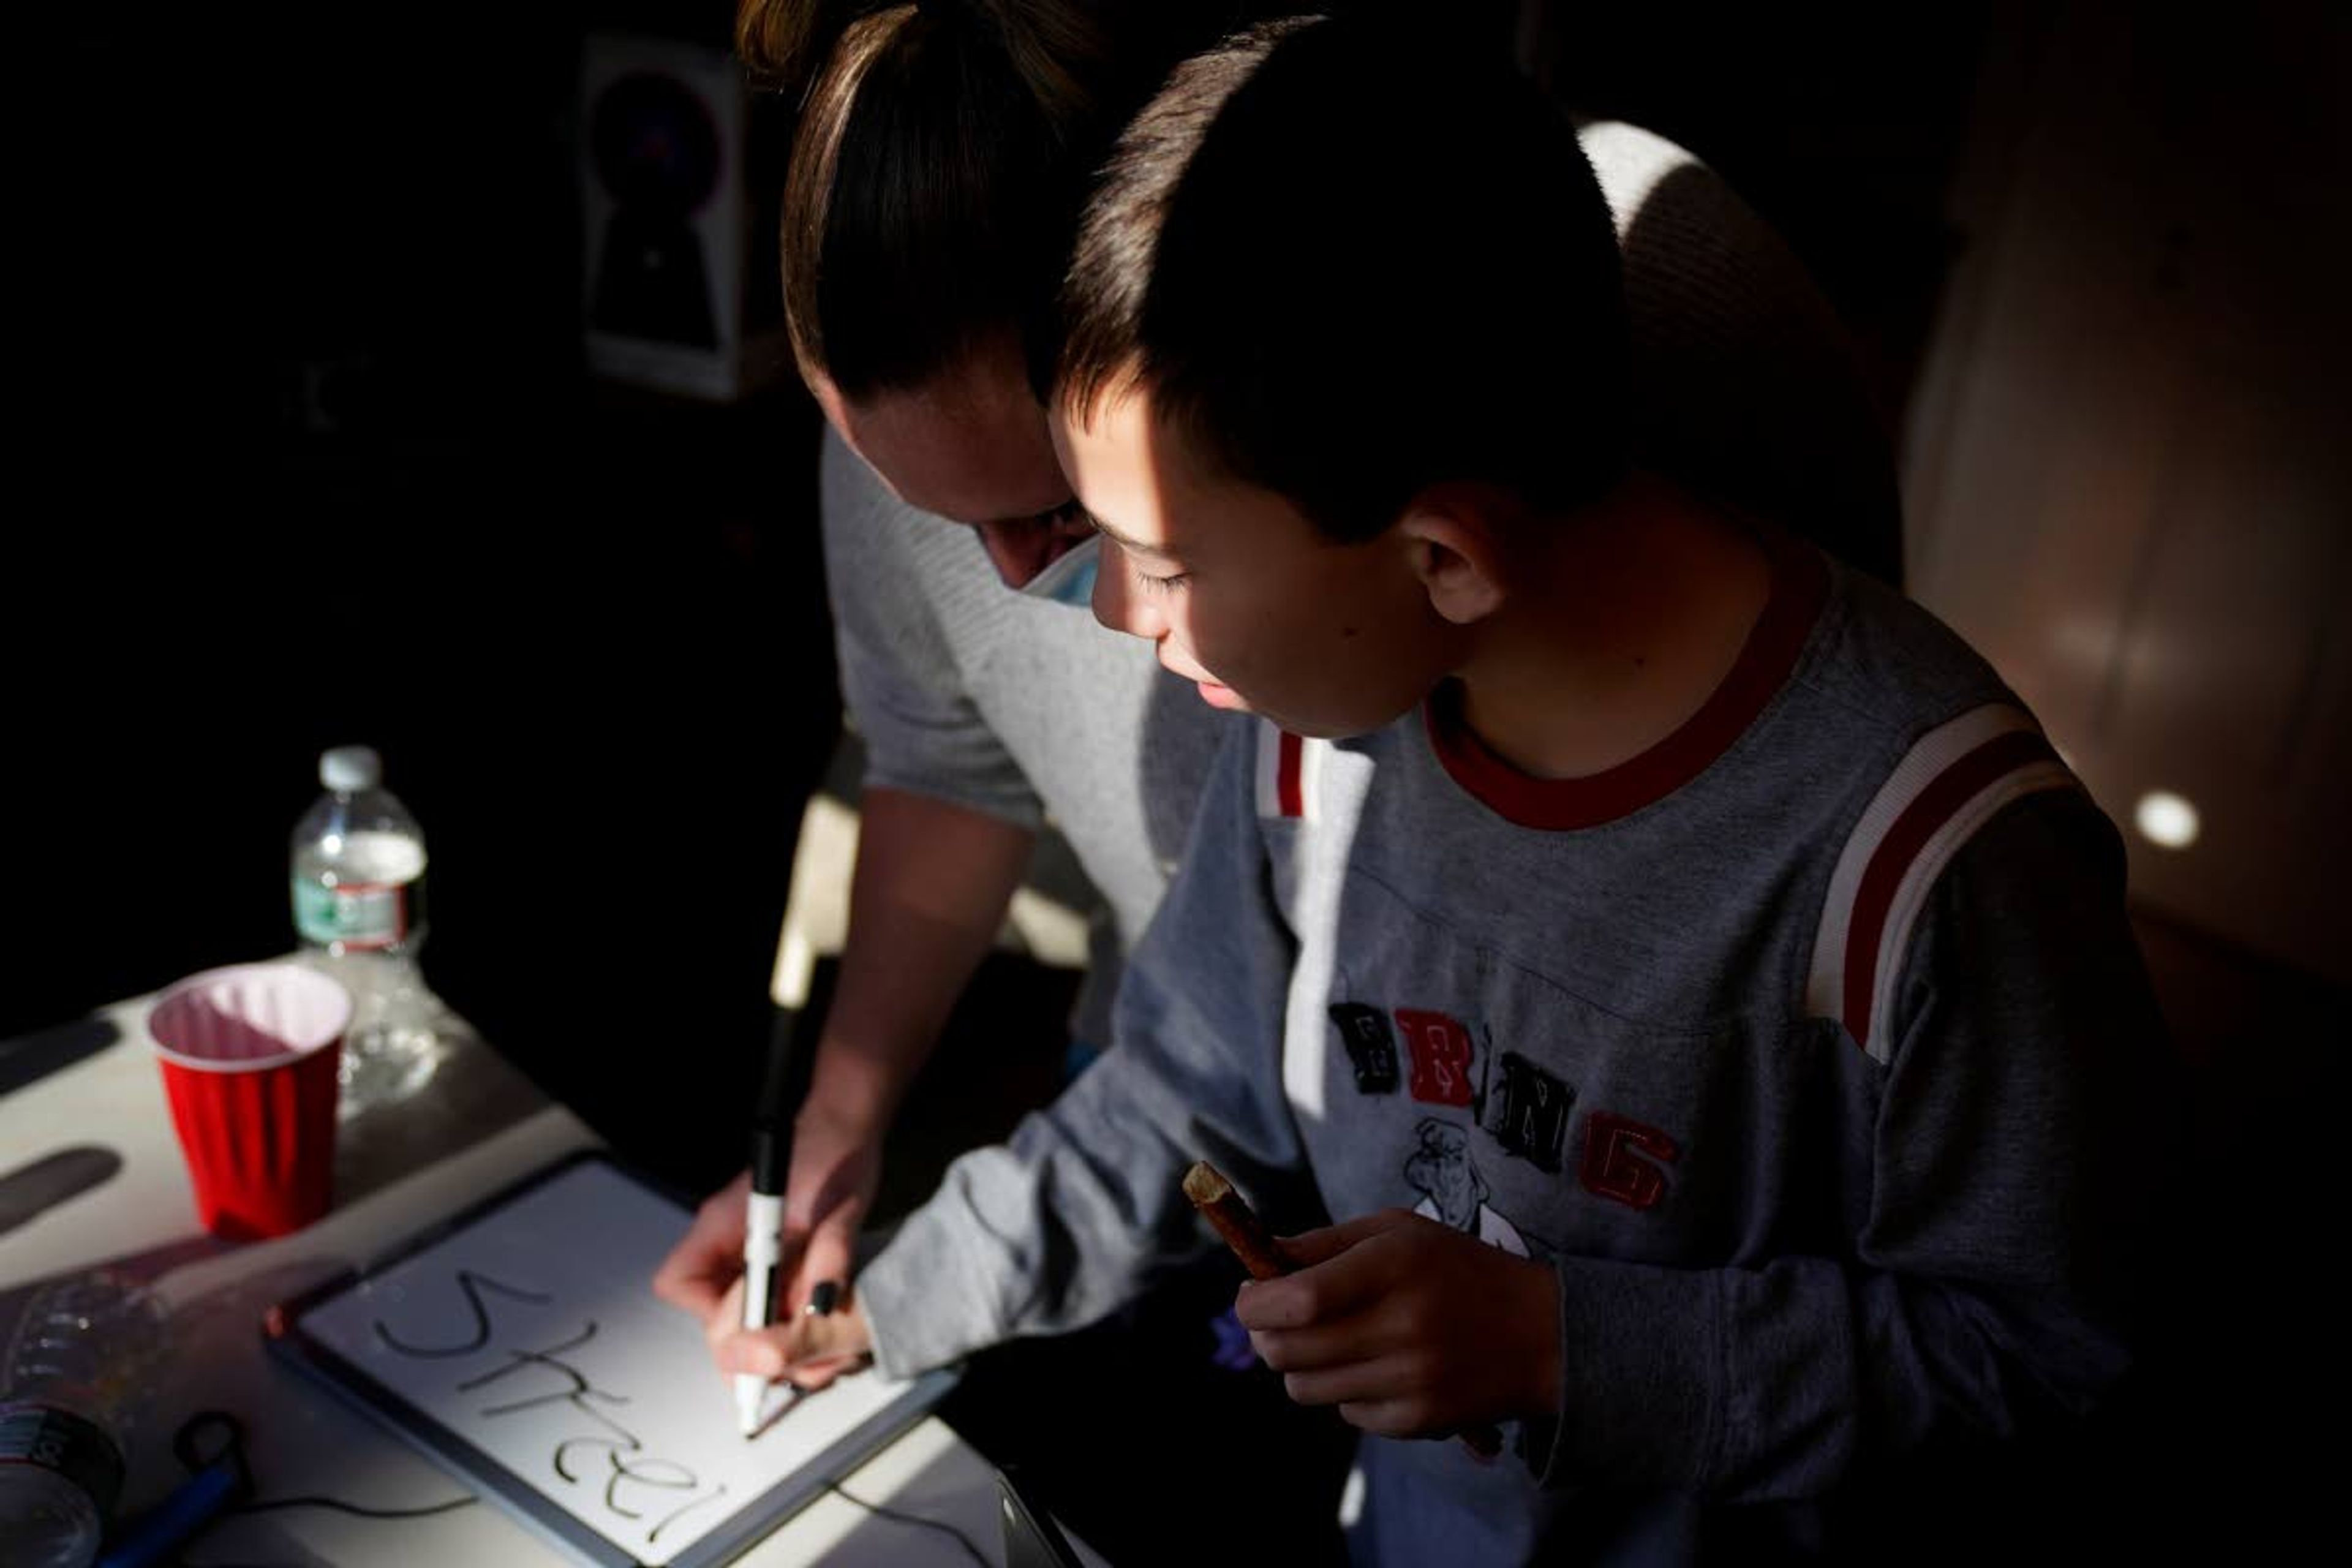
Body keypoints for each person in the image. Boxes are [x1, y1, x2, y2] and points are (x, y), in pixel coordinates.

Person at [756, 15, 2176, 1563]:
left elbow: (2046, 1353)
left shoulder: (1929, 866)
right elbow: (1184, 1091)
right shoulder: (1315, 725)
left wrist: (1567, 1344)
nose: (1105, 611)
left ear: (1442, 556)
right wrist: (877, 1298)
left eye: (1154, 560)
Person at [655, 0, 1906, 1388]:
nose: (1018, 581)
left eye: (1078, 520)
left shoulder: (1870, 824)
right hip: (1217, 1111)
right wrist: (846, 1116)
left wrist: (1589, 1354)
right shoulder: (1276, 756)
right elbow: (965, 777)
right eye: (923, 506)